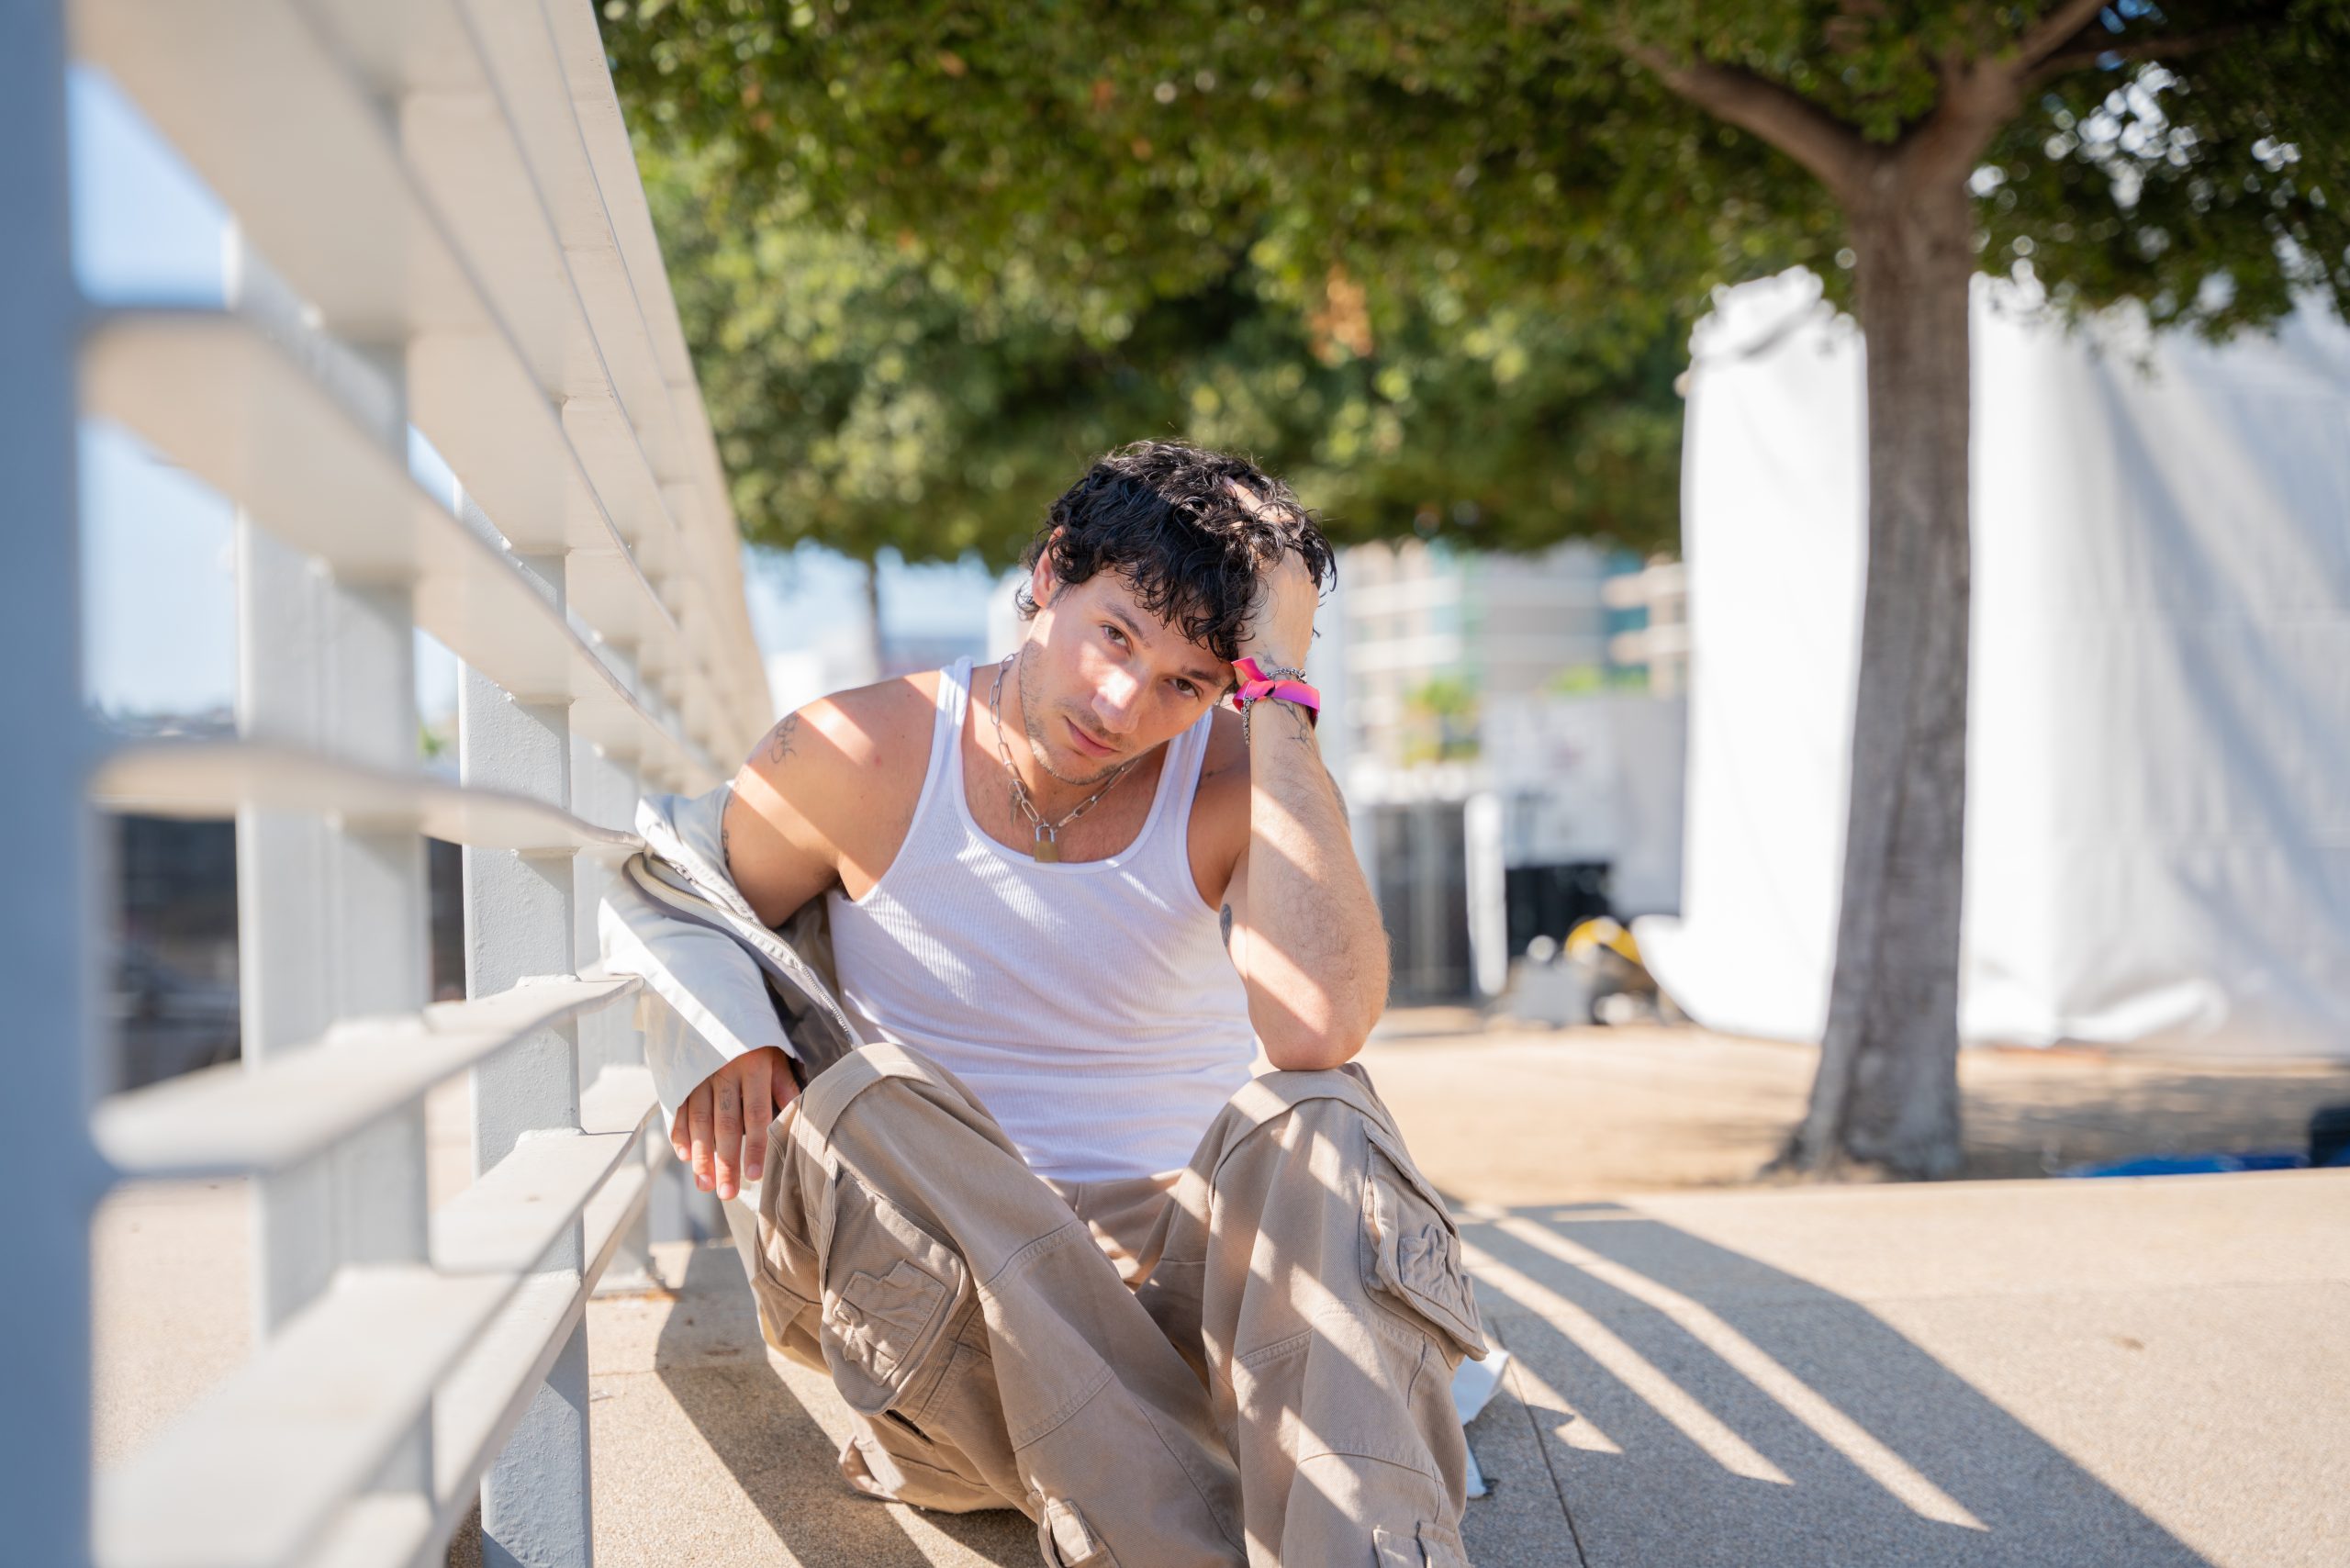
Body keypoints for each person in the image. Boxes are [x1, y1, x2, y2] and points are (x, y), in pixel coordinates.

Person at [632, 441, 1483, 1568]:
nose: (1123, 704)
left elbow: (1317, 1028)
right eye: (1115, 634)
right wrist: (729, 1027)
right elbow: (670, 880)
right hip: (957, 1313)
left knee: (1320, 1114)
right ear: (1049, 573)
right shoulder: (857, 751)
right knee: (871, 1095)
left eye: (1186, 681)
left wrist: (1278, 693)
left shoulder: (1237, 772)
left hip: (1190, 1301)